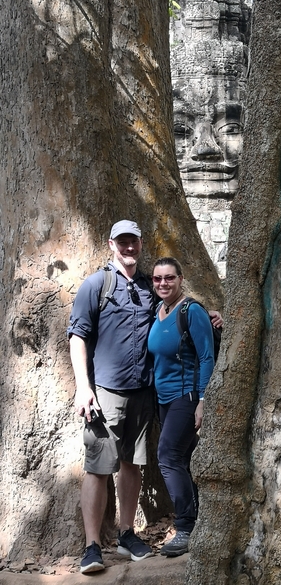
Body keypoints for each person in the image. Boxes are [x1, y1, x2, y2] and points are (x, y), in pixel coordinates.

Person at [68, 221, 222, 574]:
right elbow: (77, 336)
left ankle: (126, 534)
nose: (128, 248)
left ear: (140, 244)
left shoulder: (148, 287)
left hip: (143, 393)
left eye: (133, 242)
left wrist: (215, 314)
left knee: (133, 465)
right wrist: (83, 386)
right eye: (122, 242)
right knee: (97, 467)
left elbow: (182, 311)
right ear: (111, 244)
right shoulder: (97, 284)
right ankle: (92, 546)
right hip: (104, 391)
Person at [147, 257, 215, 557]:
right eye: (158, 278)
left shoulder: (192, 311)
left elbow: (206, 357)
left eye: (169, 278)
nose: (163, 283)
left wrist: (203, 401)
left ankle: (185, 527)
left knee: (168, 456)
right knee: (183, 458)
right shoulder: (158, 311)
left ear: (181, 279)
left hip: (186, 397)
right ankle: (199, 520)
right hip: (163, 400)